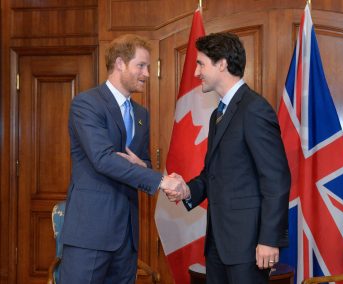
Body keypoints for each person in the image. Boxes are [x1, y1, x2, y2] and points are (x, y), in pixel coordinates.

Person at [59, 34, 187, 283]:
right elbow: (103, 159)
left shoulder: (141, 113)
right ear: (120, 63)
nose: (147, 73)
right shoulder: (87, 104)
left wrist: (145, 167)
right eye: (141, 65)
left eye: (148, 67)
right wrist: (160, 181)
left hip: (126, 235)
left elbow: (142, 163)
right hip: (91, 233)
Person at [165, 33, 291, 284]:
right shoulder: (217, 115)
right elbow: (212, 174)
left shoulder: (254, 108)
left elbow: (276, 178)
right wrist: (187, 191)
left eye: (201, 63)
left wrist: (268, 239)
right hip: (218, 244)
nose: (196, 72)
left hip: (249, 245)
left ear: (221, 63)